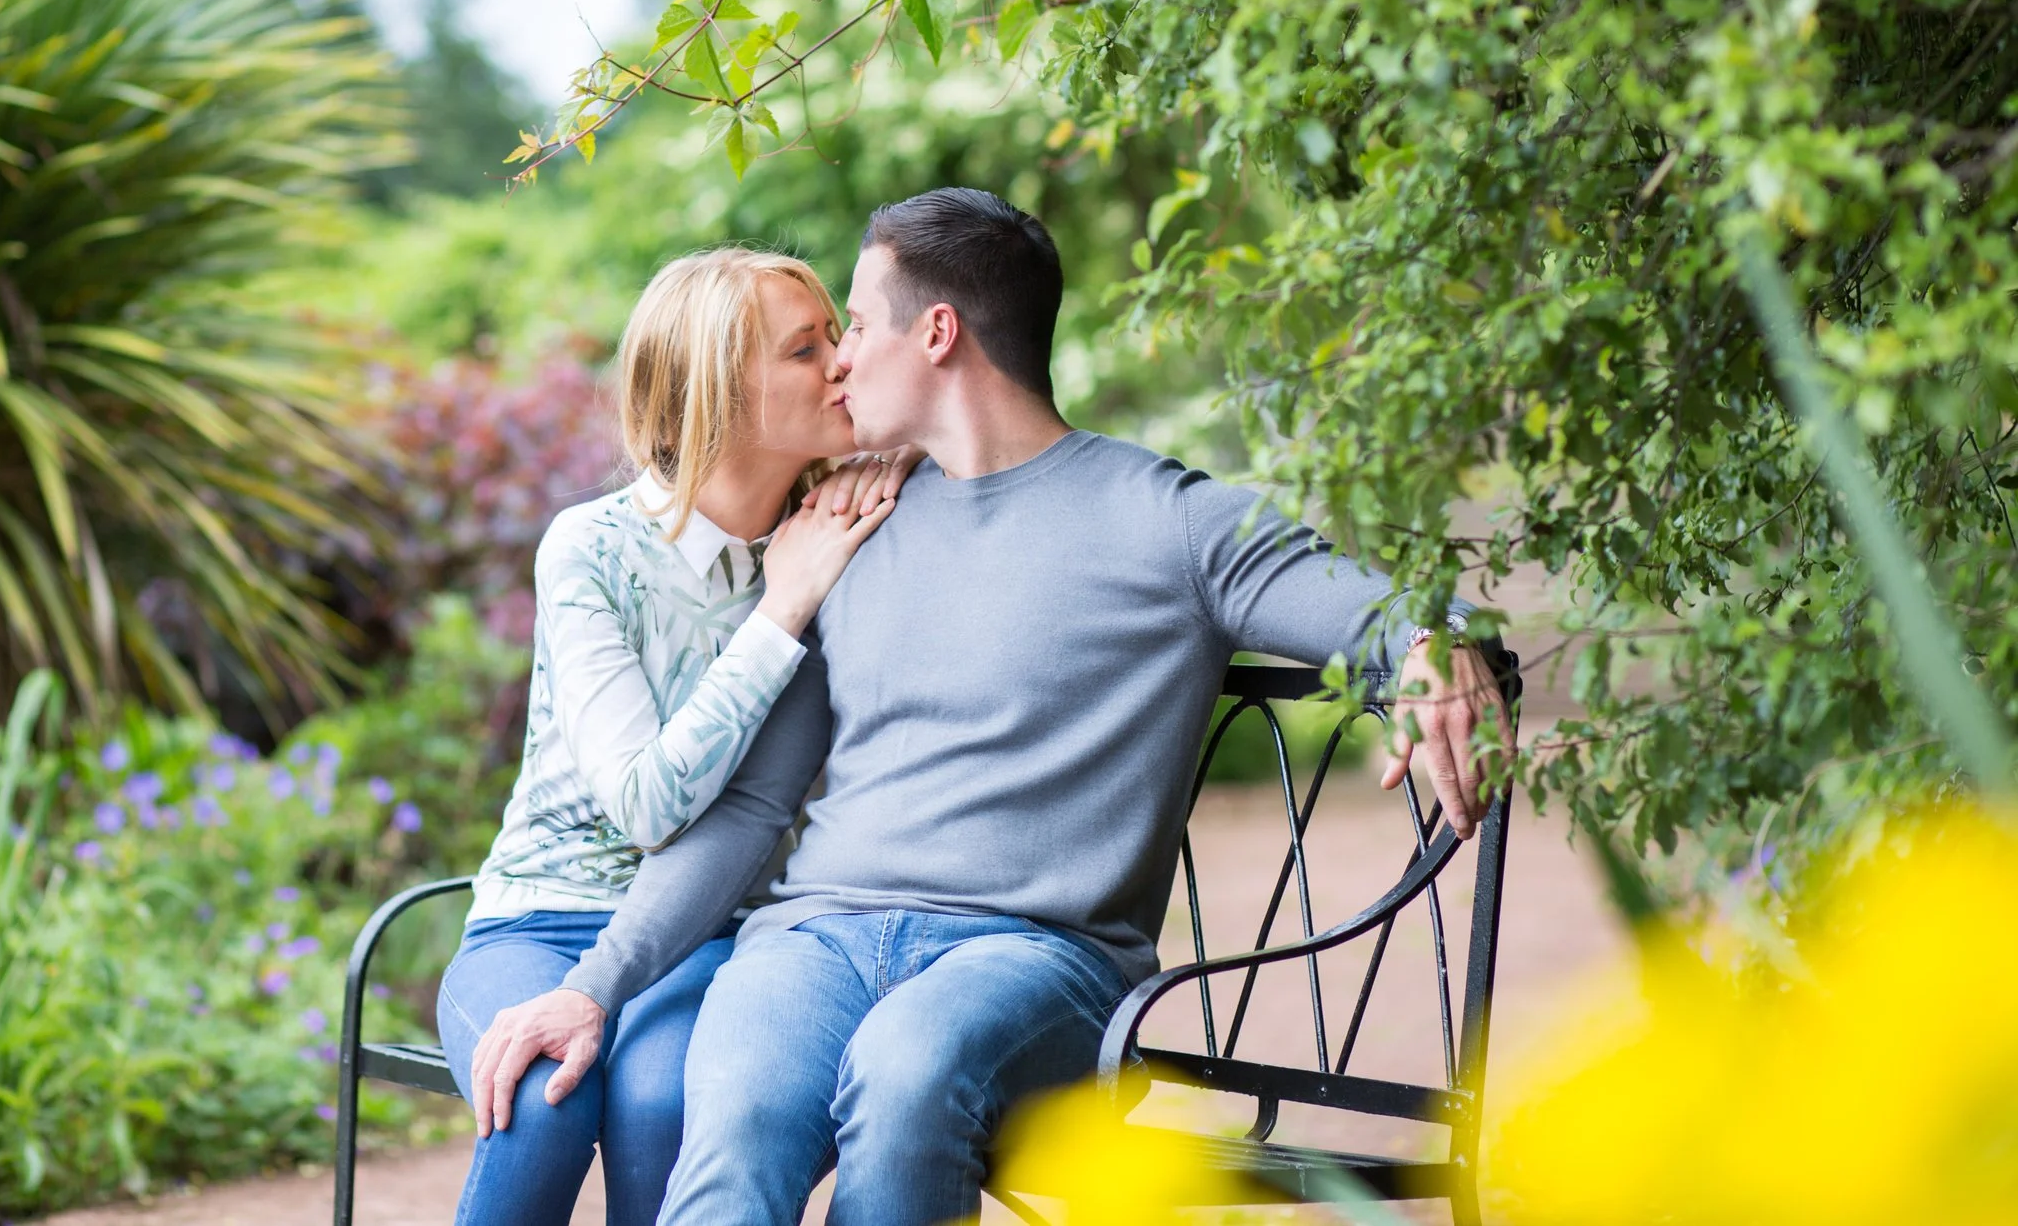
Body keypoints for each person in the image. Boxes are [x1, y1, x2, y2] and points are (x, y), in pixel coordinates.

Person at [465, 188, 1515, 1226]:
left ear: (936, 331)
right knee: (731, 1106)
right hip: (813, 938)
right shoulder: (850, 524)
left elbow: (1380, 606)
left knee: (907, 1065)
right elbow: (748, 808)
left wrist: (1436, 642)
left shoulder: (1168, 520)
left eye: (856, 325)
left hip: (1033, 956)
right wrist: (594, 985)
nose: (839, 359)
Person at [436, 246, 914, 1226]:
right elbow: (646, 802)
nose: (841, 362)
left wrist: (908, 452)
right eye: (803, 347)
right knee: (541, 1100)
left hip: (703, 930)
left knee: (669, 1105)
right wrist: (778, 612)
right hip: (538, 914)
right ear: (717, 391)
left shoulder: (834, 545)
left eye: (836, 334)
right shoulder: (593, 548)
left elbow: (748, 812)